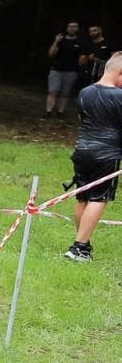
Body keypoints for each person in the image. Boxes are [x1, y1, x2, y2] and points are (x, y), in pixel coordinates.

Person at [63, 51, 122, 262]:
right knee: (99, 198)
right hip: (107, 154)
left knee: (83, 197)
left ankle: (83, 245)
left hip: (82, 150)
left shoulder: (84, 92)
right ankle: (78, 247)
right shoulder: (119, 97)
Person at [45, 20, 84, 118]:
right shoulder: (60, 40)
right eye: (70, 26)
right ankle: (48, 112)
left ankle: (60, 113)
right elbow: (50, 54)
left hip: (71, 71)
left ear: (78, 29)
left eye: (74, 26)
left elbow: (82, 58)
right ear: (67, 28)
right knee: (52, 91)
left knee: (65, 93)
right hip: (56, 69)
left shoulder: (81, 42)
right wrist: (56, 41)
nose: (72, 28)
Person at [80, 23, 112, 88]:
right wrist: (88, 58)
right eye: (90, 32)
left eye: (94, 30)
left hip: (104, 74)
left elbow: (115, 60)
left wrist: (100, 61)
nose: (92, 33)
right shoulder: (87, 44)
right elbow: (80, 62)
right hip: (89, 74)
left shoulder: (108, 43)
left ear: (100, 30)